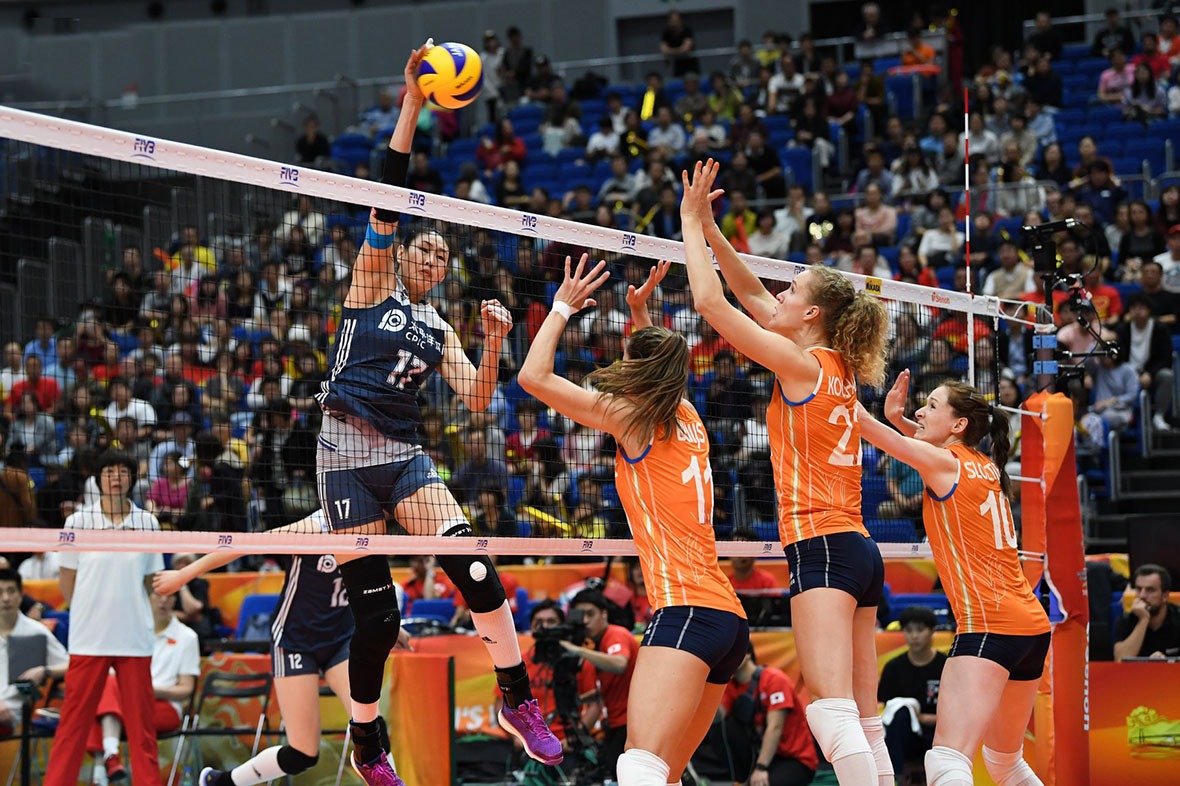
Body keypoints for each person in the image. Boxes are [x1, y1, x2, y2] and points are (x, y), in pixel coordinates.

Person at [262, 41, 559, 783]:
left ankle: (516, 700)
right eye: (422, 250)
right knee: (378, 620)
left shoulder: (440, 327)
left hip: (401, 458)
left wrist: (494, 343)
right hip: (343, 459)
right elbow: (389, 195)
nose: (430, 260)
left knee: (477, 571)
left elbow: (479, 398)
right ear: (400, 256)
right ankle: (368, 741)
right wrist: (412, 105)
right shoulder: (369, 284)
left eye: (440, 257)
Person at [679, 160, 892, 785]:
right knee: (865, 718)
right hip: (858, 549)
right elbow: (750, 296)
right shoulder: (834, 365)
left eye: (792, 291)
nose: (780, 295)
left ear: (811, 314)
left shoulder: (802, 368)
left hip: (822, 545)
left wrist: (688, 220)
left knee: (830, 711)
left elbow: (710, 302)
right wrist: (714, 233)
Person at [518, 256, 750, 786]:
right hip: (727, 623)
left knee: (639, 764)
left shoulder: (630, 418)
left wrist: (561, 308)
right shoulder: (688, 416)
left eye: (628, 357)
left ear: (640, 371)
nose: (621, 364)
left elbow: (533, 377)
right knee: (665, 774)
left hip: (686, 611)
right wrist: (640, 313)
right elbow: (656, 364)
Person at [858, 372, 1051, 786]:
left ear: (959, 424)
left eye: (931, 406)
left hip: (989, 626)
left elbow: (871, 431)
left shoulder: (946, 463)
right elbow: (921, 446)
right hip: (1031, 628)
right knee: (1004, 762)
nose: (920, 412)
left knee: (946, 759)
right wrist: (899, 419)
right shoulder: (986, 466)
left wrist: (826, 382)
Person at [155, 512, 401, 786]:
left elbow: (369, 589)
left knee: (371, 726)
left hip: (341, 640)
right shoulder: (312, 528)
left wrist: (387, 623)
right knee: (303, 753)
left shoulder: (373, 529)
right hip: (295, 642)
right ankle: (221, 782)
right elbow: (244, 545)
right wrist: (183, 575)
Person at [43, 452, 166, 786]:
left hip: (134, 639)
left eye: (123, 471)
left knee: (142, 729)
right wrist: (88, 612)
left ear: (131, 479)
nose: (116, 477)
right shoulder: (77, 522)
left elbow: (149, 582)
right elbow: (67, 581)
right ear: (98, 478)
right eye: (109, 471)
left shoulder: (147, 523)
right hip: (89, 638)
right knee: (72, 725)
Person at [84, 589, 199, 783]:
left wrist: (150, 690)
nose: (163, 601)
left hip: (163, 705)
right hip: (127, 701)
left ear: (175, 600)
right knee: (106, 687)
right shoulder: (130, 631)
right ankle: (111, 757)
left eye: (169, 596)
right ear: (146, 597)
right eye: (158, 595)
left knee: (99, 712)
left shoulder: (187, 637)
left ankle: (101, 770)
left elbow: (186, 689)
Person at [719, 643, 817, 786]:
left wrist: (761, 767)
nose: (724, 660)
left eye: (728, 655)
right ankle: (741, 777)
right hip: (759, 754)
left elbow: (776, 726)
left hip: (795, 759)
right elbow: (717, 719)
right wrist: (712, 681)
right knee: (722, 727)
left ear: (747, 655)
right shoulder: (730, 684)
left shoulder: (774, 679)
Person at [517, 600, 599, 755]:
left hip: (567, 742)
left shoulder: (578, 661)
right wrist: (517, 737)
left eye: (551, 622)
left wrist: (575, 739)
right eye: (539, 622)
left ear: (562, 626)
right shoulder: (518, 662)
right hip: (529, 744)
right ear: (531, 627)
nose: (545, 627)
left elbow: (595, 704)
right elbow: (501, 704)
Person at [877, 606, 945, 778]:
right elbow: (886, 709)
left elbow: (960, 713)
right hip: (904, 735)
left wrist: (924, 718)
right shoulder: (893, 667)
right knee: (900, 716)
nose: (914, 636)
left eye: (920, 630)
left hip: (939, 733)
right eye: (908, 630)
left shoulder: (947, 666)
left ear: (933, 631)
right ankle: (894, 777)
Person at [0, 567, 68, 737]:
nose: (6, 598)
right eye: (0, 592)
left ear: (21, 594)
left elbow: (70, 664)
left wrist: (44, 671)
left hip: (13, 713)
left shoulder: (37, 631)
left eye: (11, 591)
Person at [1114, 564, 1180, 660]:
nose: (1142, 596)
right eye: (1139, 589)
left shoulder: (1177, 617)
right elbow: (1120, 660)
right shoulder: (1126, 620)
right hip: (1137, 670)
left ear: (1165, 596)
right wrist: (1143, 619)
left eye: (1150, 590)